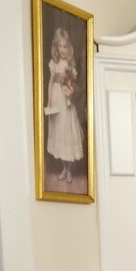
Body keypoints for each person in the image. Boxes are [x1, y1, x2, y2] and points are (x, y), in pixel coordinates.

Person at [45, 27, 84, 183]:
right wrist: (49, 100)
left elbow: (73, 83)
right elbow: (50, 82)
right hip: (56, 98)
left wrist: (70, 91)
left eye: (65, 46)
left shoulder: (69, 64)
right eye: (59, 46)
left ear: (68, 47)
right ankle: (63, 167)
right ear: (56, 46)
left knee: (67, 132)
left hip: (66, 99)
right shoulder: (53, 63)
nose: (62, 50)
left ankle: (69, 169)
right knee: (59, 132)